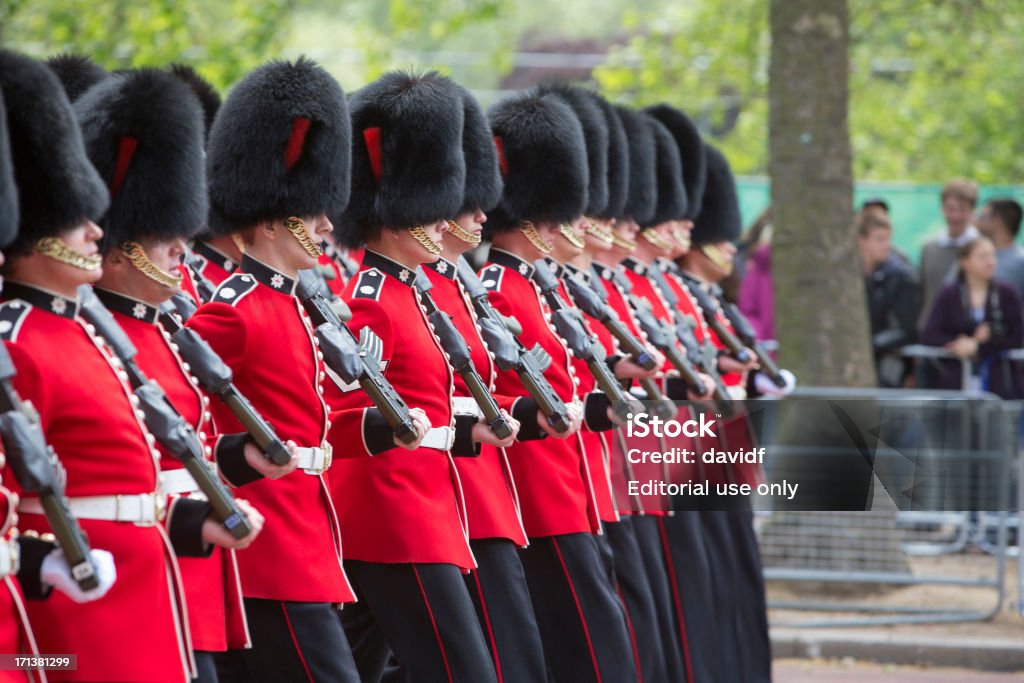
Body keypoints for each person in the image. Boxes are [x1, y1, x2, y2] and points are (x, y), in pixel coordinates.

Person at [0, 49, 185, 683]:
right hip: (68, 618)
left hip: (138, 589)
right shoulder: (18, 341)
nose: (95, 231)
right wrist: (43, 566)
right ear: (32, 228)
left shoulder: (83, 331)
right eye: (75, 218)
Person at [77, 67, 268, 682]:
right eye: (168, 239)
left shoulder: (161, 329)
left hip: (188, 570)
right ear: (125, 244)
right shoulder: (79, 337)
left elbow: (187, 445)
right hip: (108, 593)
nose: (183, 249)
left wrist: (242, 459)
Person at [186, 57, 361, 683]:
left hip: (307, 532)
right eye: (310, 212)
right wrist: (235, 457)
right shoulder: (232, 311)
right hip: (270, 546)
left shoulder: (293, 302)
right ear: (266, 219)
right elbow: (183, 412)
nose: (327, 225)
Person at [328, 71, 503, 683]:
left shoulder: (416, 292)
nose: (442, 223)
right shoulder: (371, 299)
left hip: (427, 504)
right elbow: (352, 414)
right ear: (396, 214)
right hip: (394, 517)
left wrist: (471, 430)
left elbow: (430, 401)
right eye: (429, 213)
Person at [481, 90, 639, 683]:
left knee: (595, 639)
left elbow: (562, 383)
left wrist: (602, 406)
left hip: (574, 483)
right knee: (586, 645)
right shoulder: (495, 285)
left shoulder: (537, 284)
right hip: (539, 489)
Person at [422, 82, 547, 683]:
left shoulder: (456, 285)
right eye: (469, 203)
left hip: (482, 483)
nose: (480, 215)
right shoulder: (396, 292)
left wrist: (522, 408)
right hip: (442, 488)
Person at [921, 236, 1024, 398]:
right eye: (983, 256)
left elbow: (1017, 337)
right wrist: (960, 343)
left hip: (999, 385)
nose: (990, 262)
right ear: (965, 262)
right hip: (957, 383)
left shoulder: (1007, 294)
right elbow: (930, 334)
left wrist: (979, 346)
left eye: (992, 255)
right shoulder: (950, 294)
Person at [859, 211, 918, 387]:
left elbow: (906, 329)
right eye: (879, 239)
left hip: (889, 367)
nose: (886, 245)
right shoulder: (851, 277)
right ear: (861, 240)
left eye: (887, 239)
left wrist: (868, 345)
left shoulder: (901, 276)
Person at [919, 179, 980, 329]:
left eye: (962, 209)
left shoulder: (983, 248)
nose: (955, 216)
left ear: (972, 211)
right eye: (950, 209)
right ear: (942, 208)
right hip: (933, 331)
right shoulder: (930, 248)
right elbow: (922, 292)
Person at [976, 197, 1024, 297]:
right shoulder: (971, 256)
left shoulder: (1020, 262)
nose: (978, 220)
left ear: (997, 221)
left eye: (983, 217)